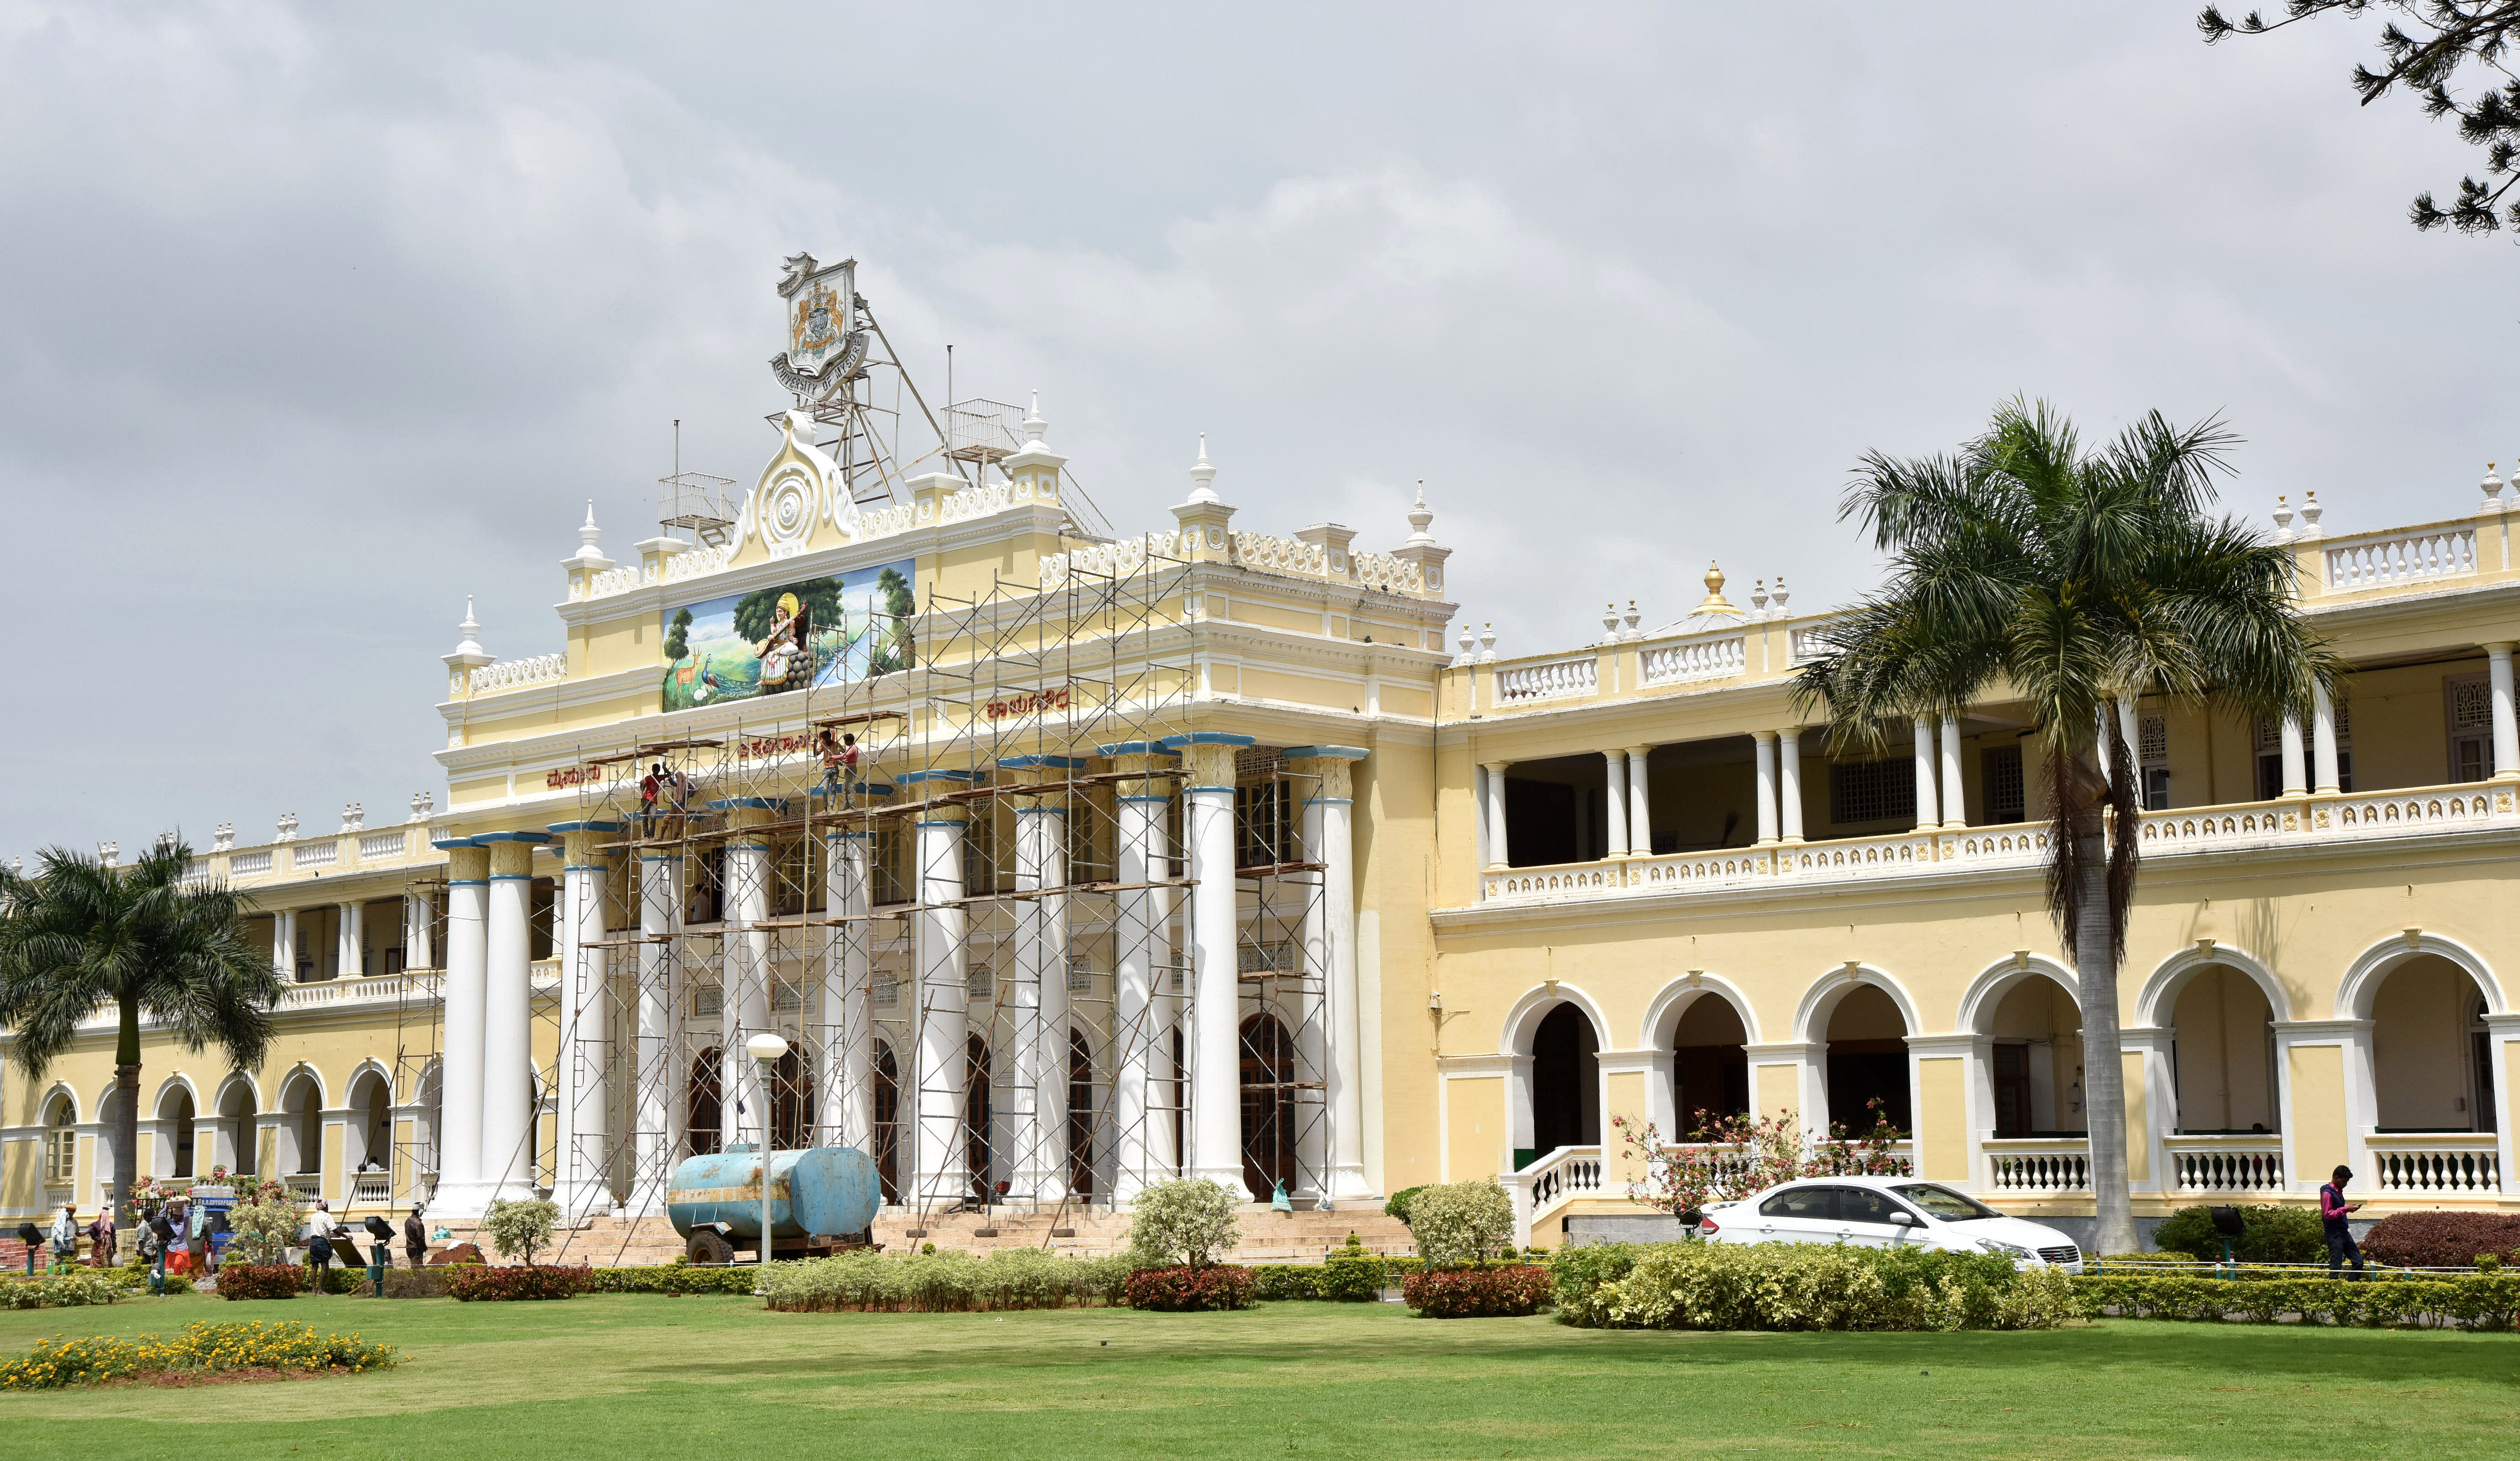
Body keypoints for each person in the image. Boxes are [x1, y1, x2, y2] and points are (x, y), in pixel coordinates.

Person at [2321, 1164, 2365, 1278]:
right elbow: (2327, 1214)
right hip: (2334, 1234)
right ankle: (2333, 1293)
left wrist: (2348, 1209)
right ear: (2336, 1178)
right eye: (2344, 1181)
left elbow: (2337, 1210)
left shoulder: (2338, 1191)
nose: (2345, 1184)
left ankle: (2350, 1287)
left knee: (2358, 1261)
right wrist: (2346, 1209)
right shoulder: (2327, 1193)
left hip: (2343, 1232)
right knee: (2336, 1266)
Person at [48, 1203, 78, 1273]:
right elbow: (61, 1239)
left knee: (67, 1266)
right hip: (60, 1251)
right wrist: (71, 1238)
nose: (67, 1220)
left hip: (67, 1249)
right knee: (61, 1267)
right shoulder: (57, 1228)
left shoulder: (65, 1225)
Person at [404, 1204, 428, 1269]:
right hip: (416, 1248)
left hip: (409, 1247)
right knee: (418, 1267)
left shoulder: (408, 1220)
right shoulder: (418, 1224)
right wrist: (424, 1247)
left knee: (414, 1266)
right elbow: (420, 1238)